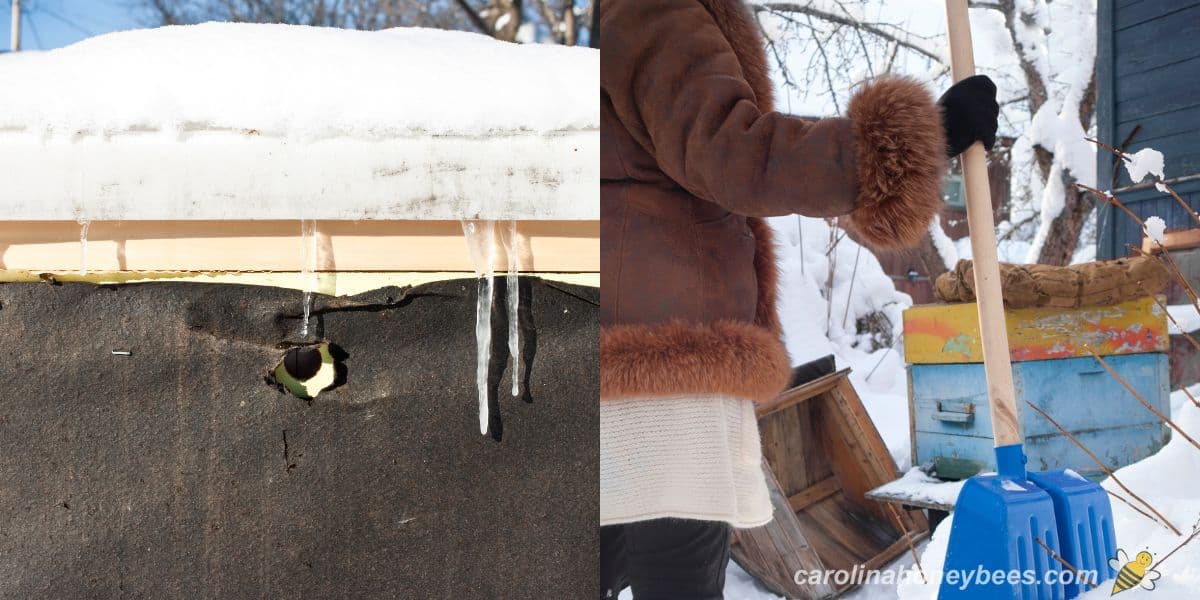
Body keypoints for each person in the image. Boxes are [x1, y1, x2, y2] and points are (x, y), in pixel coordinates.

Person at [598, 0, 1000, 598]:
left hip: (604, 330)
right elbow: (731, 152)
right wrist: (912, 144)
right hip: (664, 358)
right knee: (676, 572)